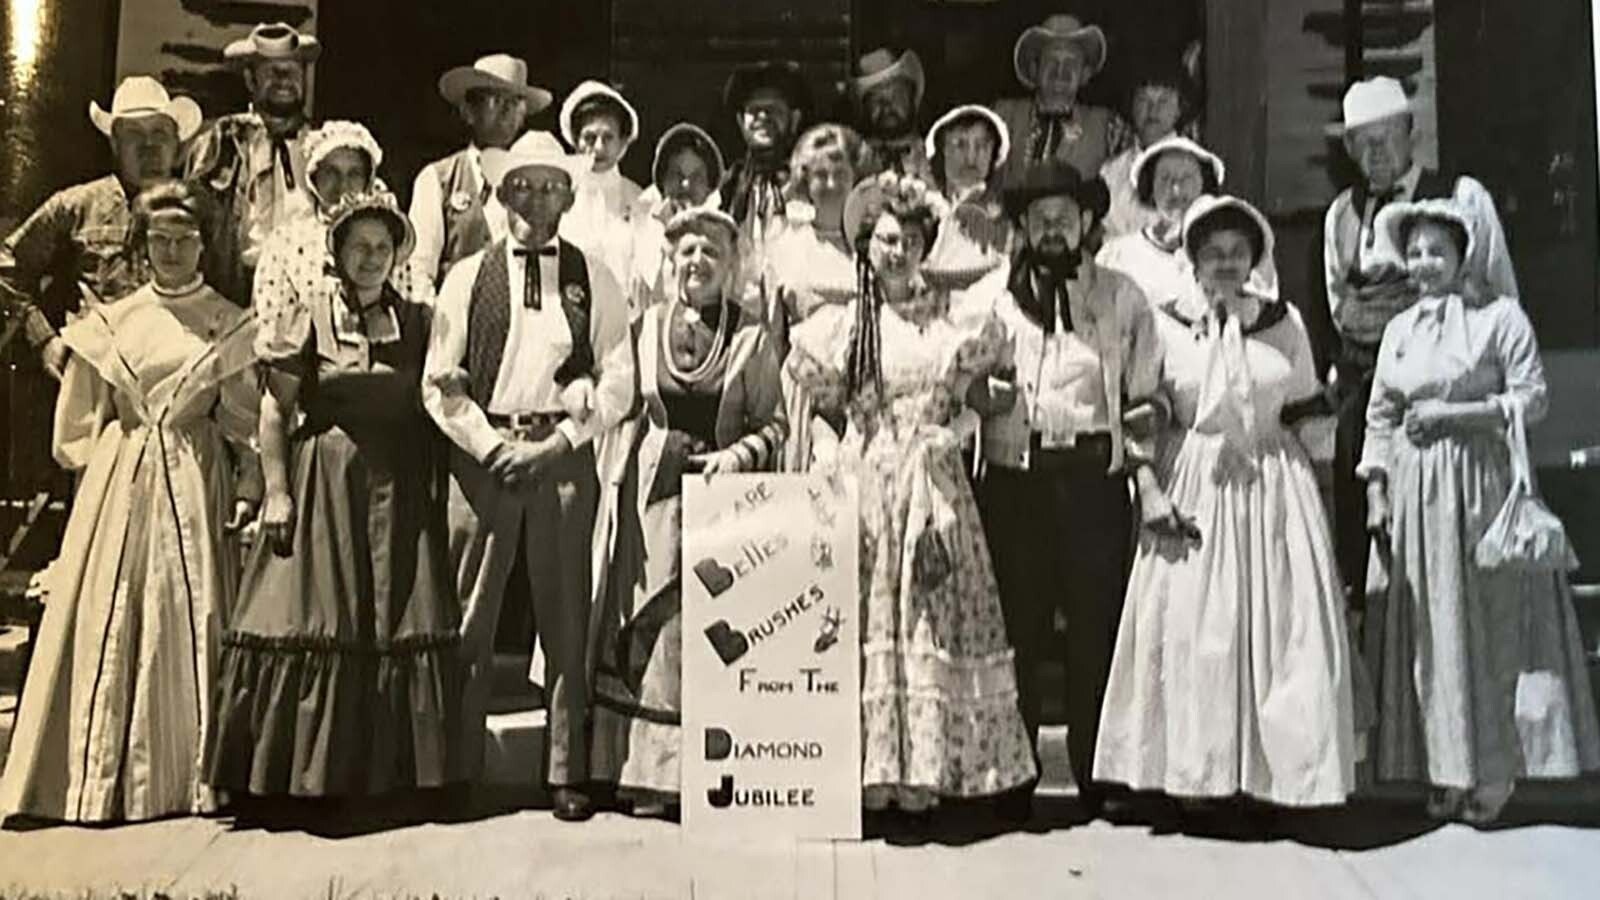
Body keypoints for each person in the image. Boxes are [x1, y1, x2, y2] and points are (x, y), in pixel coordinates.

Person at [0, 182, 260, 823]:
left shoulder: (227, 321)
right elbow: (78, 429)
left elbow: (243, 424)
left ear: (205, 244)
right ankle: (99, 779)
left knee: (190, 612)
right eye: (160, 241)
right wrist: (110, 475)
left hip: (197, 479)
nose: (173, 251)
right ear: (142, 249)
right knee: (115, 614)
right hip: (121, 485)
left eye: (186, 238)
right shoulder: (110, 323)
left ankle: (186, 777)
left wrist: (248, 487)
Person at [784, 173, 1036, 817]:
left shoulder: (950, 322)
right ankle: (873, 778)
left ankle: (931, 774)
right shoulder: (845, 326)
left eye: (910, 241)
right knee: (870, 619)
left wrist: (956, 430)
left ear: (926, 248)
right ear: (868, 247)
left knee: (931, 615)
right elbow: (818, 403)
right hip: (868, 483)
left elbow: (985, 389)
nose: (897, 252)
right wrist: (832, 452)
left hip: (933, 481)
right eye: (886, 240)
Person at [1095, 195, 1357, 810]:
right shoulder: (1165, 323)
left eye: (1237, 252)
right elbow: (1144, 411)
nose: (1225, 263)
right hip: (1195, 482)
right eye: (1212, 252)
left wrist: (1319, 497)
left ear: (1254, 258)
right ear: (1192, 258)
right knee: (1196, 631)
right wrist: (1150, 489)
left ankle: (1274, 780)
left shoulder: (1283, 321)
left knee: (1277, 632)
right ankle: (1199, 779)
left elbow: (1305, 406)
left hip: (1273, 486)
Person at [206, 191, 462, 799]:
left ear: (396, 255)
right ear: (338, 253)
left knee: (395, 618)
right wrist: (277, 492)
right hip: (326, 485)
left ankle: (389, 780)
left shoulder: (420, 320)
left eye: (382, 248)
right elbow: (274, 409)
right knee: (316, 618)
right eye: (359, 247)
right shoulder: (309, 314)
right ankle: (303, 779)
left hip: (396, 491)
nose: (371, 258)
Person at [1360, 200, 1600, 824]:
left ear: (1464, 255)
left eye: (1437, 251)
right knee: (1431, 633)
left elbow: (1533, 398)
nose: (1424, 264)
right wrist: (1377, 493)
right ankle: (1442, 771)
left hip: (1480, 490)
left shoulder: (1499, 319)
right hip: (1416, 497)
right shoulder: (1400, 330)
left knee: (1488, 627)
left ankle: (1492, 774)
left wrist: (1457, 416)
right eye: (1414, 253)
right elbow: (1381, 414)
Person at [422, 131, 634, 822]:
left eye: (550, 186)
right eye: (522, 185)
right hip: (486, 454)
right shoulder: (468, 275)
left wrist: (562, 441)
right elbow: (439, 384)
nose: (535, 198)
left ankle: (565, 772)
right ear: (501, 193)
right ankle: (456, 767)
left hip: (561, 456)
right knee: (468, 616)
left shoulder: (592, 275)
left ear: (569, 197)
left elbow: (620, 379)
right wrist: (488, 447)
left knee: (566, 615)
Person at [963, 162, 1165, 822]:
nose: (1053, 228)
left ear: (1086, 224)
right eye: (1039, 217)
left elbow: (1145, 392)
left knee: (1095, 628)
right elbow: (957, 384)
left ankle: (1096, 773)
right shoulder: (990, 302)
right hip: (1017, 480)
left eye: (1065, 217)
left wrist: (1143, 438)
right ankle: (1013, 774)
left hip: (1090, 483)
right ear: (1020, 227)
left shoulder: (1121, 297)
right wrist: (978, 396)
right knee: (1016, 625)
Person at [589, 208, 786, 817]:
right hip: (652, 498)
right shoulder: (644, 328)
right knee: (646, 629)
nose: (697, 261)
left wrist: (737, 456)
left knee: (704, 635)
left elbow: (775, 423)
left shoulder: (751, 338)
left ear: (730, 267)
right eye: (687, 251)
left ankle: (702, 777)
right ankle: (639, 774)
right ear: (670, 261)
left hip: (721, 504)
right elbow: (621, 408)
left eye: (712, 253)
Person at [1318, 76, 1517, 613]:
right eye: (1362, 142)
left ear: (1412, 133)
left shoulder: (1461, 194)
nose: (1375, 152)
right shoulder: (1341, 214)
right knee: (1374, 547)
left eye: (1386, 137)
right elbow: (1340, 304)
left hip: (1451, 402)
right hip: (1371, 399)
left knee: (1455, 546)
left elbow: (1499, 296)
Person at [1, 76, 200, 379]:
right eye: (134, 135)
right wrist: (44, 339)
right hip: (91, 378)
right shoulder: (76, 206)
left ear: (176, 144)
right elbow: (8, 266)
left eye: (160, 133)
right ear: (115, 144)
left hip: (174, 382)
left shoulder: (202, 214)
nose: (149, 148)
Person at [185, 22, 323, 305]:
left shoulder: (323, 147)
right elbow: (190, 223)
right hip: (234, 293)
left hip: (307, 295)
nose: (284, 79)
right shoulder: (219, 144)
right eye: (272, 71)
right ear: (250, 79)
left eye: (293, 70)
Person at [251, 120, 423, 346]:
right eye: (331, 172)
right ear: (313, 177)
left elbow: (414, 309)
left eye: (354, 174)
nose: (343, 184)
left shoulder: (386, 237)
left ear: (368, 178)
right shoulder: (285, 242)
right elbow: (271, 324)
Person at [408, 54, 550, 291]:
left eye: (515, 102)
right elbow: (419, 270)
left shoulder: (537, 180)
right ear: (468, 111)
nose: (507, 110)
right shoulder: (438, 179)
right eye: (494, 99)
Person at [1097, 135, 1282, 311]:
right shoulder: (1117, 255)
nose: (1176, 190)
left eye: (1187, 179)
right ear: (1150, 188)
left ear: (1205, 185)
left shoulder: (1230, 255)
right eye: (1165, 179)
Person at [993, 14, 1132, 187]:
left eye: (1071, 63)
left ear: (1084, 74)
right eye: (1051, 60)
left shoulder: (1110, 128)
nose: (1060, 72)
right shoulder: (1001, 117)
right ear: (1035, 69)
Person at [765, 124, 869, 350]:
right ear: (806, 182)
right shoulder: (785, 246)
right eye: (820, 175)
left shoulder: (874, 244)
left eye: (840, 174)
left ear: (855, 178)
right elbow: (773, 335)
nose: (831, 184)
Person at [626, 123, 726, 315]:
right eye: (676, 175)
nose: (686, 184)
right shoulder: (640, 228)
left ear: (709, 187)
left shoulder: (719, 239)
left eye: (697, 177)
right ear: (662, 182)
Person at [719, 61, 810, 272]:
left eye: (773, 109)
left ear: (794, 120)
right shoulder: (728, 187)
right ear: (741, 123)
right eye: (754, 110)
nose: (762, 117)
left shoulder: (808, 183)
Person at [1100, 64, 1200, 240]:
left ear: (1179, 109)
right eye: (1143, 100)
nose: (1153, 110)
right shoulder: (1111, 172)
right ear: (1131, 106)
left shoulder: (1197, 168)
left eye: (1163, 101)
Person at [558, 80, 644, 285]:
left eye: (608, 137)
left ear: (623, 142)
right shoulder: (560, 197)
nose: (598, 148)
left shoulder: (639, 200)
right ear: (575, 141)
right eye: (589, 138)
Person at [921, 104, 1014, 293]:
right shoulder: (922, 207)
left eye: (982, 145)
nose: (971, 157)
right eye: (960, 144)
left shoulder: (1002, 216)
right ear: (943, 150)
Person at [849, 48, 933, 181]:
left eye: (896, 95)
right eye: (876, 100)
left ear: (912, 96)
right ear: (865, 108)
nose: (887, 106)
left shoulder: (936, 155)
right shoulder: (852, 164)